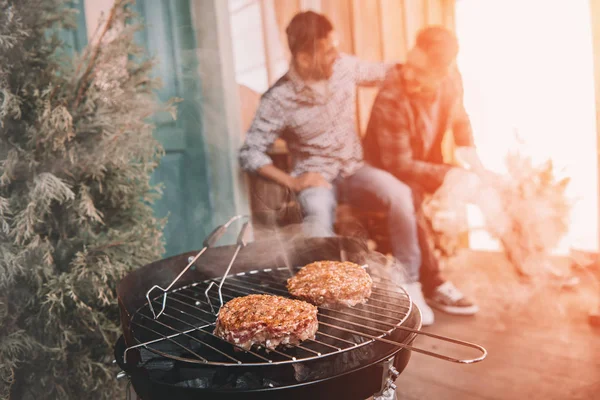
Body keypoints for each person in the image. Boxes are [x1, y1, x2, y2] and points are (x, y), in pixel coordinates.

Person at [239, 11, 469, 325]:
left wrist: (426, 66)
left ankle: (410, 283)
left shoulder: (344, 67)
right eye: (329, 50)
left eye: (336, 47)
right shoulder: (278, 99)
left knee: (400, 195)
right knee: (318, 218)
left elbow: (387, 72)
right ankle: (325, 300)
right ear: (305, 58)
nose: (338, 55)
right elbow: (250, 153)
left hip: (355, 170)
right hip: (317, 179)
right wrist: (293, 182)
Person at [363, 26, 480, 316]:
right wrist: (448, 175)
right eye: (411, 65)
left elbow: (461, 121)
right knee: (409, 196)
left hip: (425, 164)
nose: (408, 76)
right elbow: (398, 165)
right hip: (386, 171)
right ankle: (430, 282)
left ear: (442, 73)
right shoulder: (392, 94)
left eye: (420, 72)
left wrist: (476, 166)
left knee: (486, 192)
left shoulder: (452, 79)